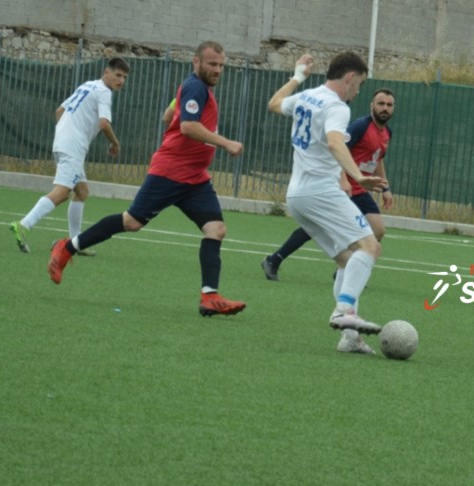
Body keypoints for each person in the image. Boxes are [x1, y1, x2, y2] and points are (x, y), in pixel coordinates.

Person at [48, 41, 247, 317]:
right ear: (196, 62)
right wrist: (225, 142)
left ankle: (209, 297)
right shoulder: (196, 87)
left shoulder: (195, 88)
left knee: (216, 229)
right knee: (131, 222)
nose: (217, 70)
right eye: (212, 64)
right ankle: (67, 247)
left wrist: (179, 109)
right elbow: (188, 126)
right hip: (171, 172)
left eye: (221, 65)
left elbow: (168, 117)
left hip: (195, 178)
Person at [267, 52, 388, 353]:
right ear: (350, 77)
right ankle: (344, 311)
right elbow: (335, 142)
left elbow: (274, 104)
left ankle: (349, 338)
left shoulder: (307, 96)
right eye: (359, 84)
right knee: (370, 247)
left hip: (297, 195)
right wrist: (357, 176)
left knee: (347, 260)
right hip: (321, 192)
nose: (358, 91)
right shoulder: (337, 107)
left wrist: (298, 77)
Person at [261, 88, 397, 281]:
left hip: (360, 189)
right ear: (372, 106)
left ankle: (347, 266)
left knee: (378, 230)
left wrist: (386, 188)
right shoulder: (360, 127)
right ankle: (275, 260)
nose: (385, 108)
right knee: (314, 227)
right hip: (342, 187)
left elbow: (378, 159)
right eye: (381, 104)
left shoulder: (386, 133)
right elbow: (337, 149)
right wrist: (343, 180)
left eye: (389, 105)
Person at [10, 57, 130, 254]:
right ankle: (24, 225)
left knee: (81, 191)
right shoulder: (104, 92)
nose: (121, 80)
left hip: (63, 142)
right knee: (62, 192)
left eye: (124, 77)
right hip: (73, 146)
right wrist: (115, 144)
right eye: (118, 75)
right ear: (106, 73)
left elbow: (60, 111)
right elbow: (104, 124)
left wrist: (67, 131)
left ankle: (76, 243)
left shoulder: (87, 85)